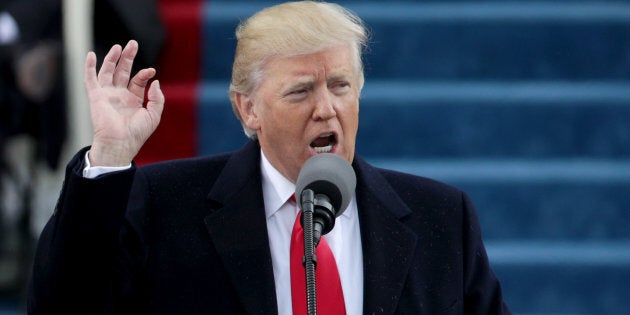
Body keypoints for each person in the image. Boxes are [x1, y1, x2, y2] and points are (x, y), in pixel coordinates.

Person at [28, 1, 511, 314]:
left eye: (341, 86)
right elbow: (60, 307)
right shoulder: (162, 205)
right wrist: (110, 156)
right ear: (248, 108)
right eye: (301, 91)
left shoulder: (442, 218)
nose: (327, 108)